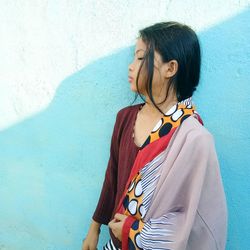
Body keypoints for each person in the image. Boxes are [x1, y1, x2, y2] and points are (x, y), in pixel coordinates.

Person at [82, 21, 228, 250]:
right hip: (117, 243)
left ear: (170, 68)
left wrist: (133, 230)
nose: (131, 66)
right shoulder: (125, 118)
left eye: (140, 58)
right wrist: (94, 228)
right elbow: (112, 177)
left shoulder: (194, 138)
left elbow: (192, 218)